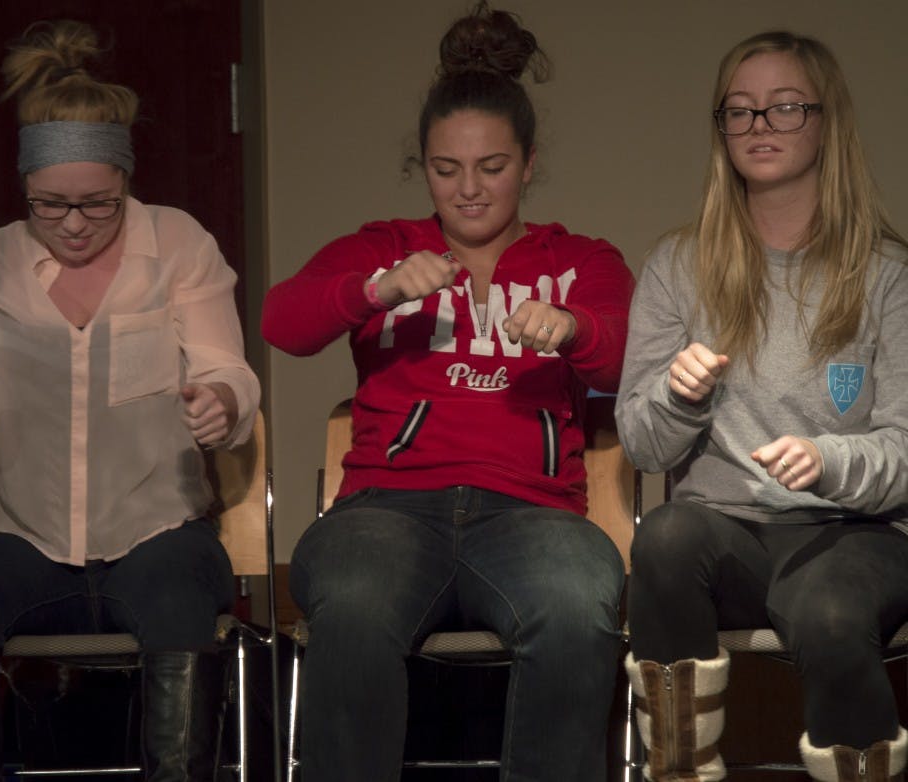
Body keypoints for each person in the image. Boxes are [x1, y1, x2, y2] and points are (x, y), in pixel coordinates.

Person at [262, 4, 635, 780]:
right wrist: (375, 289)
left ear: (528, 163)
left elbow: (632, 361)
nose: (468, 191)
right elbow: (281, 322)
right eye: (445, 169)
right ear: (422, 165)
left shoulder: (583, 259)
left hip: (534, 513)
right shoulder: (384, 247)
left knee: (575, 605)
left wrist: (573, 329)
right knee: (355, 604)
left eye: (492, 167)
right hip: (388, 508)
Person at [0, 20, 260, 781]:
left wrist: (222, 405)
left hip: (156, 532)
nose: (72, 226)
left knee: (178, 601)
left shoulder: (179, 244)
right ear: (26, 190)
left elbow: (228, 369)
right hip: (28, 543)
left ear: (126, 181)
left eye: (97, 205)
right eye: (49, 206)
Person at [615, 30, 908, 782]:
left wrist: (828, 459)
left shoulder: (886, 274)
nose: (758, 128)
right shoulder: (679, 265)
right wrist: (679, 398)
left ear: (825, 121)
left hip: (855, 533)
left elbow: (905, 446)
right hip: (730, 531)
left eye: (783, 108)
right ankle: (680, 770)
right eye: (738, 112)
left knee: (832, 617)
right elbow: (645, 448)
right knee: (668, 538)